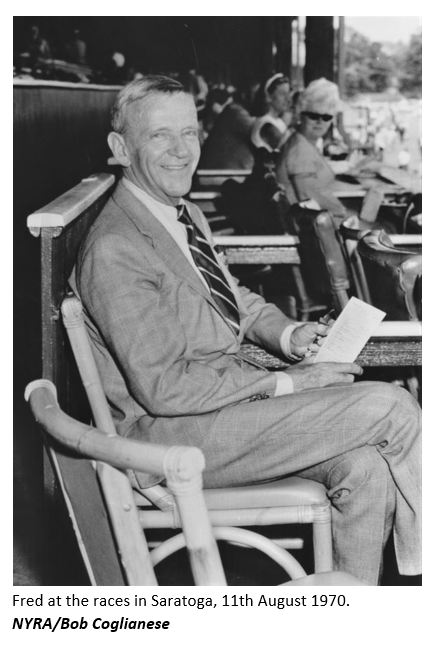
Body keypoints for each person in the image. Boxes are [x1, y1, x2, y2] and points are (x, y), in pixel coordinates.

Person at [72, 75, 421, 585]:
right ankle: (421, 582)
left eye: (189, 133)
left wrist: (287, 335)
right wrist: (290, 382)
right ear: (120, 149)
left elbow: (233, 296)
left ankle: (353, 621)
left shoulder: (182, 213)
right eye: (160, 136)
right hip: (171, 439)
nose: (181, 151)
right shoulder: (115, 248)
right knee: (392, 405)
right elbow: (165, 388)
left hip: (222, 408)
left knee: (366, 466)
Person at [276, 78, 350, 221]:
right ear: (300, 115)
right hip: (312, 229)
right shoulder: (300, 149)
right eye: (313, 115)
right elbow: (308, 197)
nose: (320, 122)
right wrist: (344, 212)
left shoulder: (304, 142)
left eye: (326, 117)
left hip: (316, 221)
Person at [199, 80, 259, 170]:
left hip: (222, 174)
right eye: (259, 95)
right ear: (245, 96)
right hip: (219, 177)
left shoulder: (235, 111)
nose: (264, 99)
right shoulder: (237, 113)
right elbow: (265, 134)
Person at [251, 73, 292, 152]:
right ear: (268, 97)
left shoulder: (279, 121)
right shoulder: (265, 123)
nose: (288, 99)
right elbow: (290, 149)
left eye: (289, 93)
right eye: (283, 94)